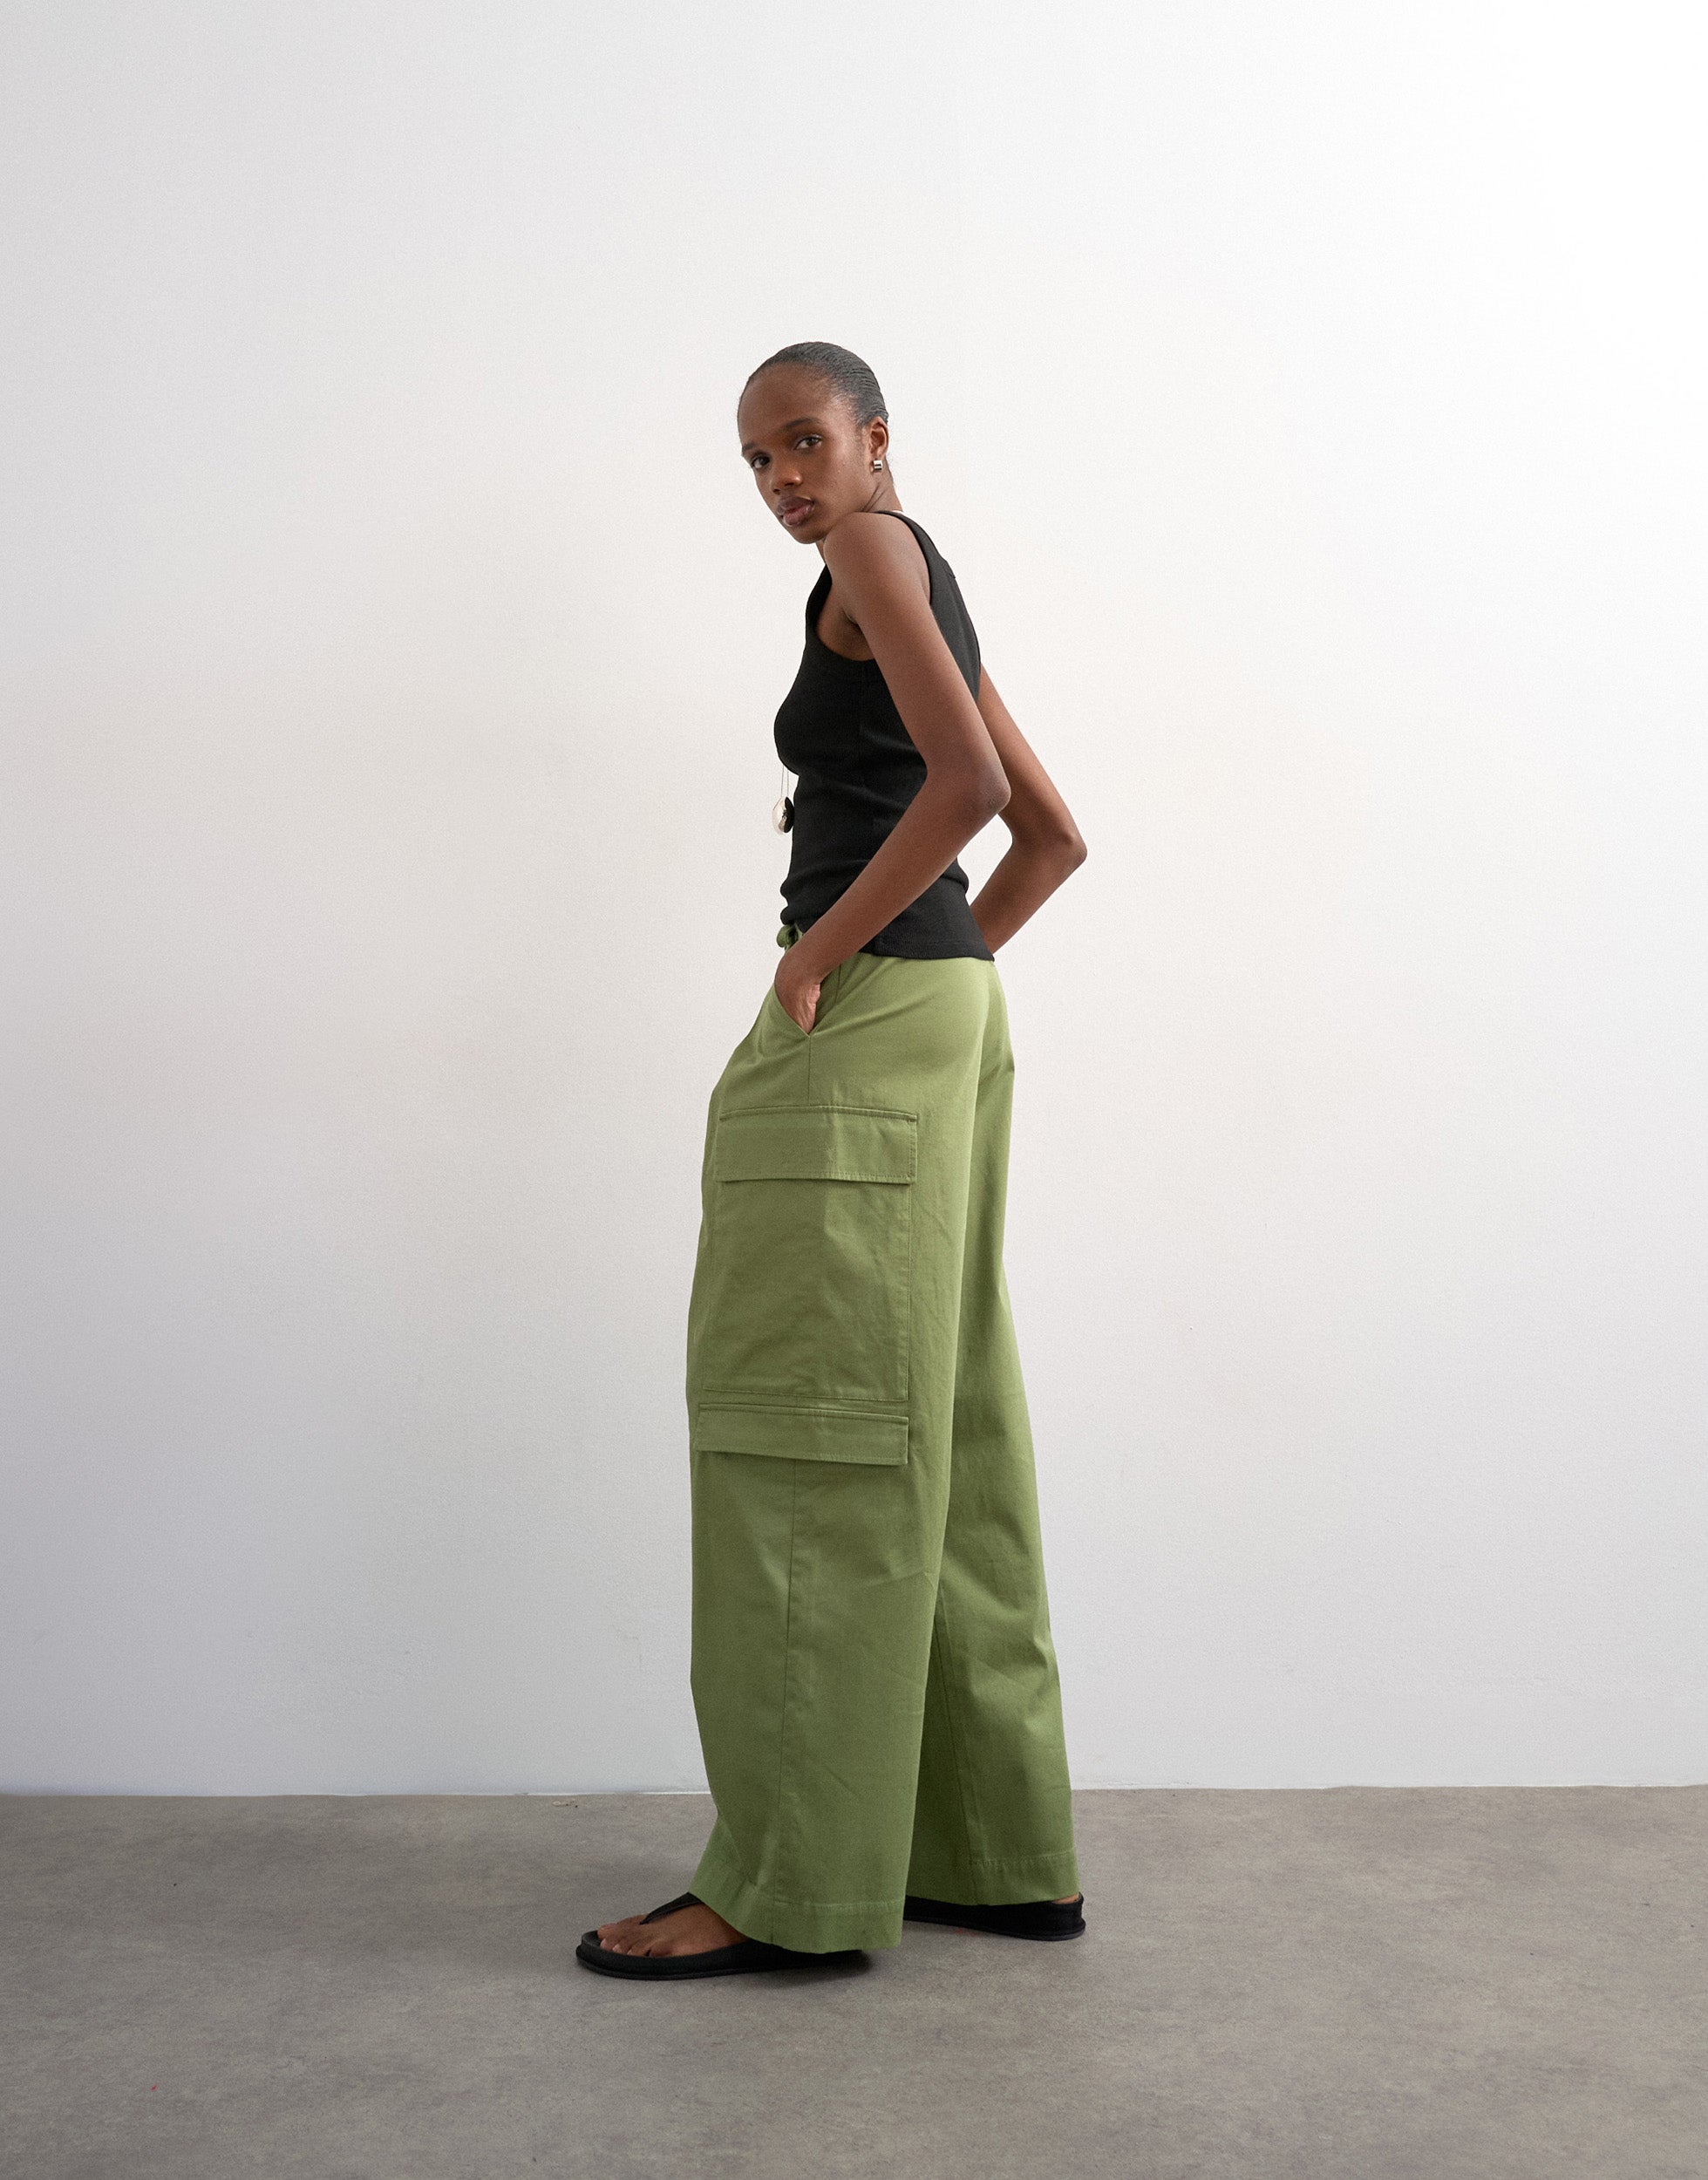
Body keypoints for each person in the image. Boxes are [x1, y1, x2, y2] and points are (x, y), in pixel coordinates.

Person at [577, 342, 1089, 1979]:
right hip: (952, 1018)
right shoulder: (913, 572)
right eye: (757, 460)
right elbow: (1051, 839)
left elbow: (977, 791)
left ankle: (786, 1887)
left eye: (805, 441)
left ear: (876, 438)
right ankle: (991, 1856)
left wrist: (827, 956)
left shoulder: (872, 548)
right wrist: (937, 960)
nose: (784, 480)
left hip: (876, 1016)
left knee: (804, 1435)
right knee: (945, 1423)